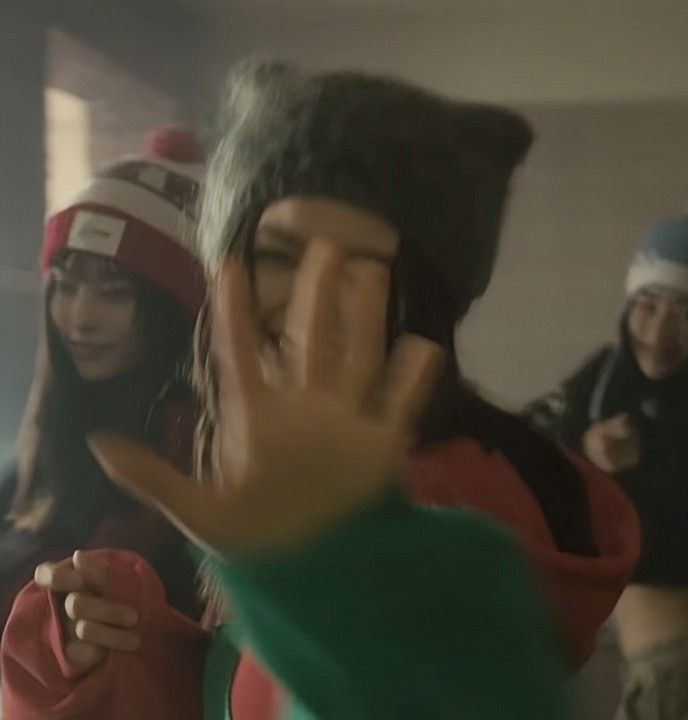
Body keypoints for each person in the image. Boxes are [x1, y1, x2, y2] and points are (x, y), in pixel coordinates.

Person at [2, 62, 639, 720]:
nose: (311, 302)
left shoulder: (443, 499)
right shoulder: (294, 478)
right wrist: (113, 647)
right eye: (280, 256)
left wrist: (335, 577)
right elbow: (260, 694)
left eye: (362, 269)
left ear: (423, 299)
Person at [0, 127, 206, 634]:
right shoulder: (42, 447)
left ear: (171, 312)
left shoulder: (196, 465)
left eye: (113, 294)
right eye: (65, 288)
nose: (78, 318)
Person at [526, 189, 688, 719]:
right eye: (648, 307)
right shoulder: (603, 381)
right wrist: (584, 449)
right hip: (644, 658)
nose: (659, 335)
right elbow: (522, 443)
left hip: (685, 663)